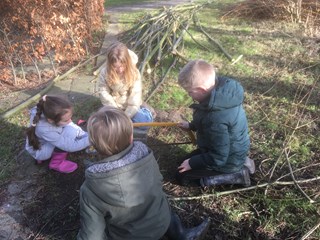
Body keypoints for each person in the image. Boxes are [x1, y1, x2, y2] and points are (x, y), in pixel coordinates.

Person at [77, 106, 210, 240]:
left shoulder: (91, 186)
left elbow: (92, 233)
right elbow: (159, 182)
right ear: (131, 137)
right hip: (162, 220)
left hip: (130, 236)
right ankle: (181, 234)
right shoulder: (146, 156)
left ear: (93, 145)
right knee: (163, 206)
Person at [176, 59, 255, 188]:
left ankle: (237, 175)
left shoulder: (215, 117)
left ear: (201, 90)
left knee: (182, 177)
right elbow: (204, 119)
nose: (189, 95)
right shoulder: (219, 96)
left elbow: (219, 157)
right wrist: (191, 126)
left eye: (190, 92)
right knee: (181, 163)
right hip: (225, 149)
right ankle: (239, 163)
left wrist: (192, 163)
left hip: (226, 160)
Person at [97, 41, 153, 140]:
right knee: (104, 125)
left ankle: (146, 111)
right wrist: (115, 111)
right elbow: (103, 91)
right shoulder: (104, 72)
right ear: (110, 64)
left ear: (127, 62)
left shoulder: (134, 72)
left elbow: (134, 96)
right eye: (115, 67)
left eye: (122, 66)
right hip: (113, 106)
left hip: (130, 106)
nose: (120, 70)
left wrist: (126, 117)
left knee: (145, 122)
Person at [25, 95, 90, 173]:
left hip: (41, 143)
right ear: (51, 120)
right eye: (66, 120)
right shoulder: (45, 130)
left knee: (70, 129)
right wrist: (91, 139)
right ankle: (56, 163)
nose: (70, 121)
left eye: (70, 117)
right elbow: (69, 146)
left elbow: (71, 125)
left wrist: (85, 135)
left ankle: (44, 157)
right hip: (40, 151)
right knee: (69, 134)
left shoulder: (46, 110)